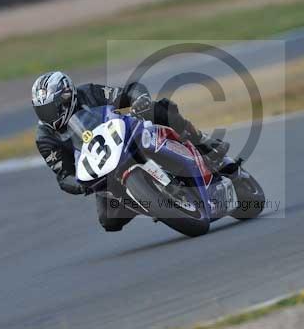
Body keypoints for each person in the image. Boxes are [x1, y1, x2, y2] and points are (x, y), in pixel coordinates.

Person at [31, 71, 229, 232]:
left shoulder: (88, 93)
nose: (49, 115)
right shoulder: (45, 137)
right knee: (109, 220)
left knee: (158, 109)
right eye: (42, 110)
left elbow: (126, 92)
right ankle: (151, 201)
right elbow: (63, 174)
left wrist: (139, 99)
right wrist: (80, 185)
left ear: (66, 97)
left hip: (124, 137)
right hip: (101, 169)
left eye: (51, 108)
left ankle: (202, 141)